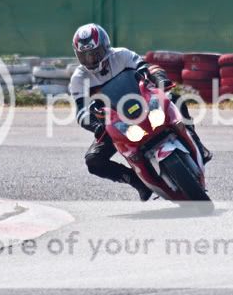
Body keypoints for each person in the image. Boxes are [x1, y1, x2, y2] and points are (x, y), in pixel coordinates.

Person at [69, 23, 211, 201]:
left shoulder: (121, 55)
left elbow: (147, 68)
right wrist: (96, 126)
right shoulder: (79, 78)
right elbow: (81, 112)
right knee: (93, 161)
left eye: (94, 54)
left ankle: (196, 143)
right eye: (85, 56)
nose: (91, 60)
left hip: (145, 104)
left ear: (105, 46)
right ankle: (138, 182)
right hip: (115, 122)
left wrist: (160, 80)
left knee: (175, 99)